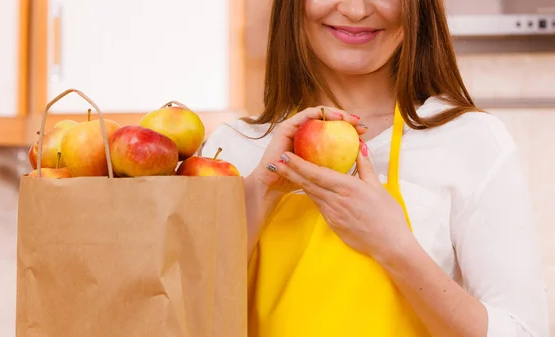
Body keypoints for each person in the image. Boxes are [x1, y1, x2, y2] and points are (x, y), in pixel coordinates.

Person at [202, 0, 549, 336]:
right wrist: (258, 196)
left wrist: (393, 246)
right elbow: (176, 313)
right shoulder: (233, 148)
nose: (356, 10)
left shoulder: (471, 142)